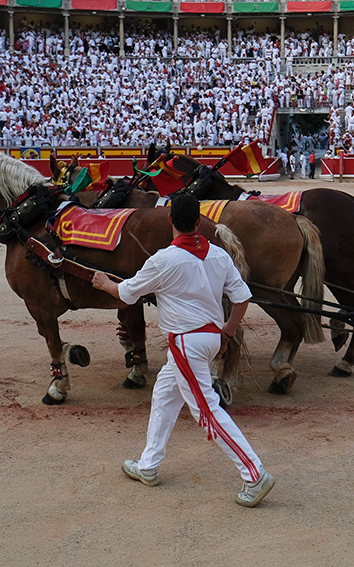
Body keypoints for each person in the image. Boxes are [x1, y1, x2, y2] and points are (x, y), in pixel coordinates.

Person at [91, 194, 275, 508]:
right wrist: (229, 330)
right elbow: (242, 297)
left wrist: (104, 282)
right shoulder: (218, 254)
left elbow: (126, 293)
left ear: (170, 220)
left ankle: (254, 473)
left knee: (207, 411)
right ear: (199, 221)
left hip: (186, 344)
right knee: (164, 394)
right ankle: (149, 465)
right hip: (210, 339)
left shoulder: (163, 260)